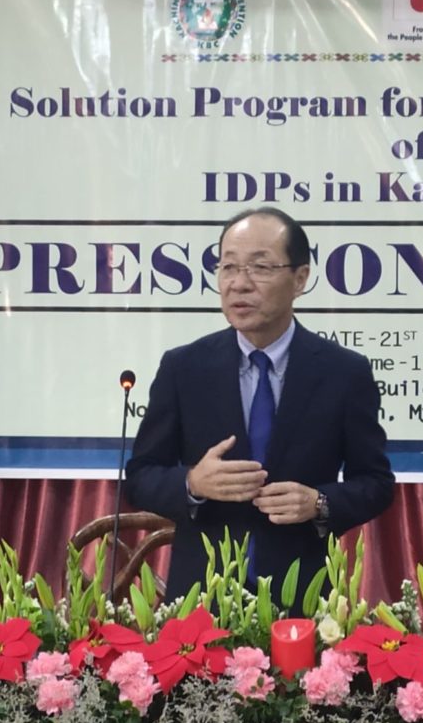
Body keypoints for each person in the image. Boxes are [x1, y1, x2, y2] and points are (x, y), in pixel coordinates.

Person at [124, 207, 395, 597]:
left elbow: (375, 482)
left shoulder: (343, 373)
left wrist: (319, 502)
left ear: (300, 278)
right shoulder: (184, 368)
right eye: (228, 267)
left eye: (260, 267)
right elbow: (141, 475)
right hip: (202, 596)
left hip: (303, 593)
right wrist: (192, 483)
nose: (239, 284)